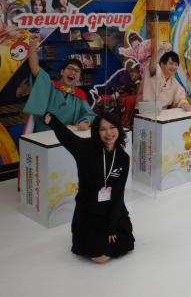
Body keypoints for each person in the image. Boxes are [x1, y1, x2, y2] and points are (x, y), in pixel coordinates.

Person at [43, 111, 134, 263]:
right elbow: (67, 137)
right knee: (100, 257)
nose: (109, 133)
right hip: (89, 209)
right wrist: (52, 120)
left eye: (112, 127)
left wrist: (111, 226)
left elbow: (118, 194)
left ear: (119, 128)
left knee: (125, 243)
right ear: (96, 131)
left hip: (111, 207)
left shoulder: (123, 158)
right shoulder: (85, 149)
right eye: (103, 129)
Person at [23, 33, 95, 132]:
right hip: (43, 135)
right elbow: (34, 67)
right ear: (62, 72)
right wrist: (32, 45)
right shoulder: (48, 85)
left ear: (79, 78)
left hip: (66, 136)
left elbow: (89, 114)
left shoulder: (79, 95)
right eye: (70, 68)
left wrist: (86, 121)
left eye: (77, 71)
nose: (73, 72)